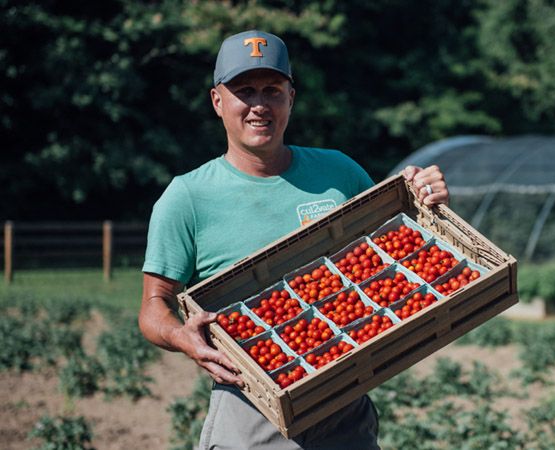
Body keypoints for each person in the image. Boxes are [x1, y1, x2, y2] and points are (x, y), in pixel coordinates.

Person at [138, 30, 450, 449]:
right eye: (245, 91)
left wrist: (423, 194)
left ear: (291, 98)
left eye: (272, 90)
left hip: (346, 406)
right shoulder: (187, 197)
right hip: (251, 408)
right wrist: (180, 337)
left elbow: (400, 247)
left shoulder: (338, 173)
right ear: (218, 101)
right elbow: (153, 304)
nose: (259, 106)